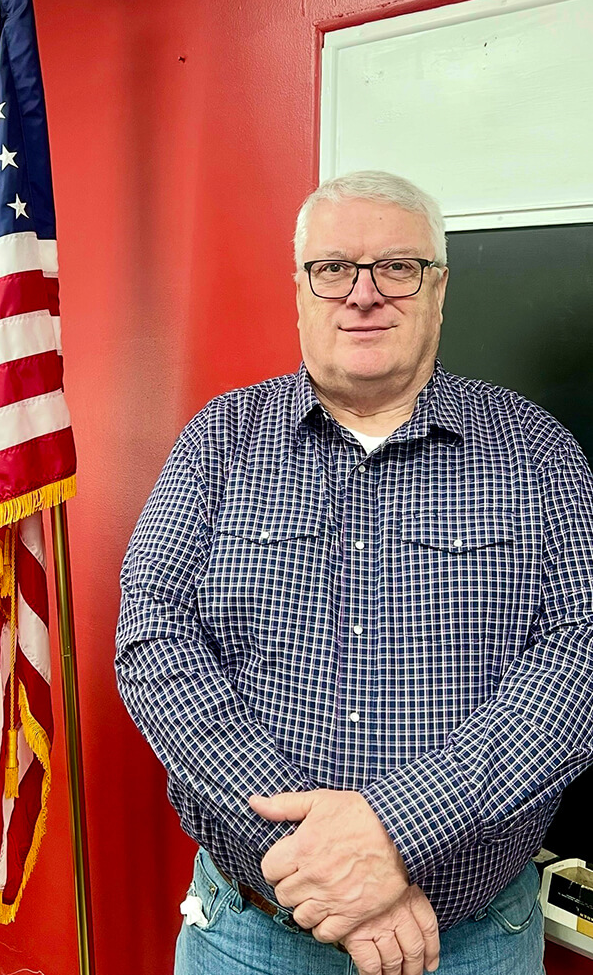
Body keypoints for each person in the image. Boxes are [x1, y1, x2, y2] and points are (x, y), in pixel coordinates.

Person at [115, 171, 593, 975]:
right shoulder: (219, 440)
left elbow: (578, 654)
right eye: (333, 267)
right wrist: (316, 858)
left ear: (438, 289)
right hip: (250, 934)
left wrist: (393, 830)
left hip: (473, 940)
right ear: (300, 289)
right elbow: (152, 635)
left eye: (397, 267)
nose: (362, 294)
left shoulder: (535, 451)